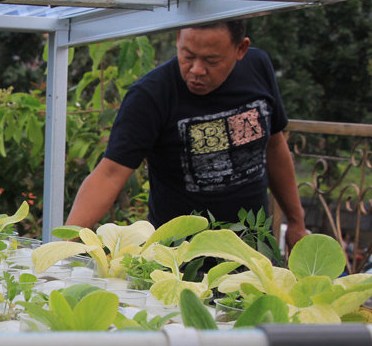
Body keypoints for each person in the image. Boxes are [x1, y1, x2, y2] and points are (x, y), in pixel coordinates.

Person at [66, 20, 307, 252]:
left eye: (212, 60)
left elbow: (275, 147)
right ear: (179, 37)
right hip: (181, 260)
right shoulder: (151, 95)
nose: (196, 70)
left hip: (253, 250)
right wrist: (65, 246)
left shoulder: (258, 67)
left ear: (240, 49)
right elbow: (109, 174)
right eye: (188, 55)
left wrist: (296, 221)